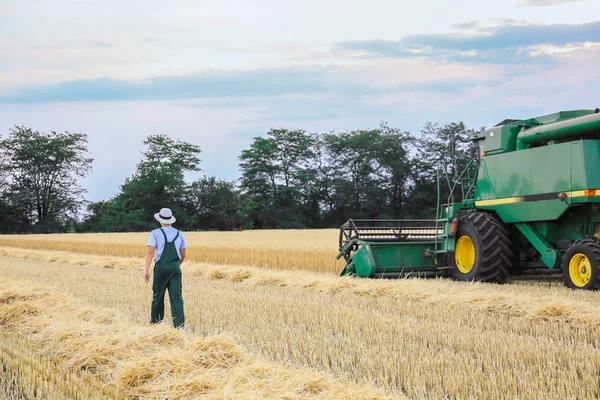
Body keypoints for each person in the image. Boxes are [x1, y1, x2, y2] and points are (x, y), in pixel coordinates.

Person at [144, 207, 187, 328]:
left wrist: (146, 270)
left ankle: (155, 324)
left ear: (160, 220)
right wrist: (175, 265)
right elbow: (183, 254)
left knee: (158, 296)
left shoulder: (155, 233)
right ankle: (179, 327)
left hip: (161, 267)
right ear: (171, 220)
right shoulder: (180, 233)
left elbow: (150, 251)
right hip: (175, 267)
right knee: (177, 297)